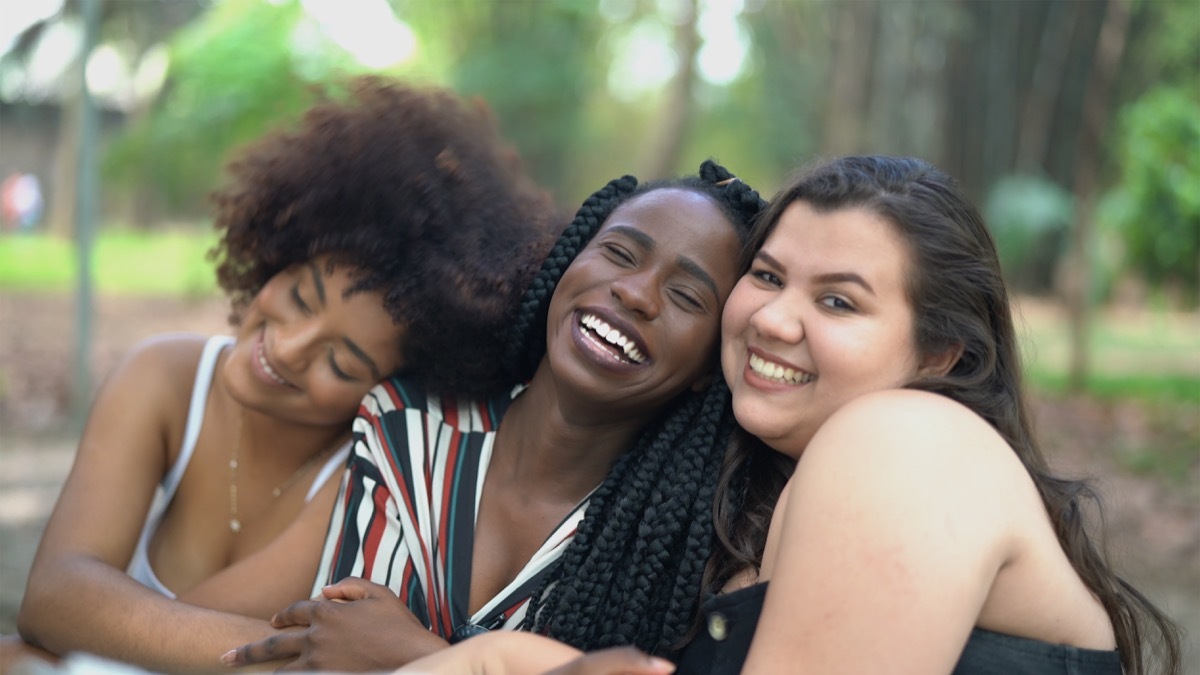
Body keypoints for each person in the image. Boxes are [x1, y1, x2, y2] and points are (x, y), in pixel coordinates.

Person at [395, 155, 1182, 675]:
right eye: (767, 275)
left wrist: (475, 664)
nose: (773, 320)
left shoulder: (904, 441)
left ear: (940, 354)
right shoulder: (757, 511)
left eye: (838, 300)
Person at [12, 76, 557, 672]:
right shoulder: (163, 376)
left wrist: (75, 631)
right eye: (299, 296)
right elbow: (53, 599)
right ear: (280, 250)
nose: (289, 347)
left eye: (341, 362)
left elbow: (131, 648)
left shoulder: (360, 481)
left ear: (388, 388)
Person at [222, 160, 767, 671]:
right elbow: (255, 634)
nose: (636, 293)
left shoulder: (680, 556)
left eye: (686, 296)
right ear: (570, 258)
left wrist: (414, 657)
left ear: (709, 364)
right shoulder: (403, 422)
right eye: (620, 254)